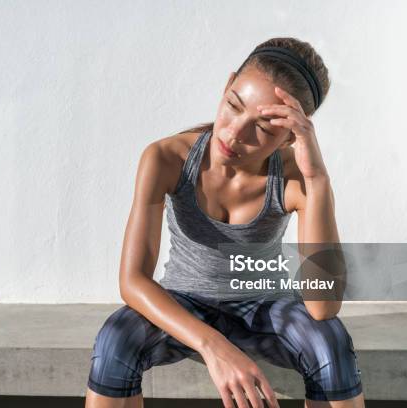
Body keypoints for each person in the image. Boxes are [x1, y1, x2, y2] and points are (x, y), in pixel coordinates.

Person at [85, 37, 365, 408]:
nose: (234, 133)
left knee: (329, 340)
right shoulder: (166, 157)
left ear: (289, 134)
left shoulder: (297, 179)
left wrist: (317, 181)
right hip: (186, 301)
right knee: (114, 339)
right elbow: (132, 281)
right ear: (227, 84)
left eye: (264, 129)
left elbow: (321, 307)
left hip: (265, 307)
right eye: (233, 105)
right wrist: (215, 347)